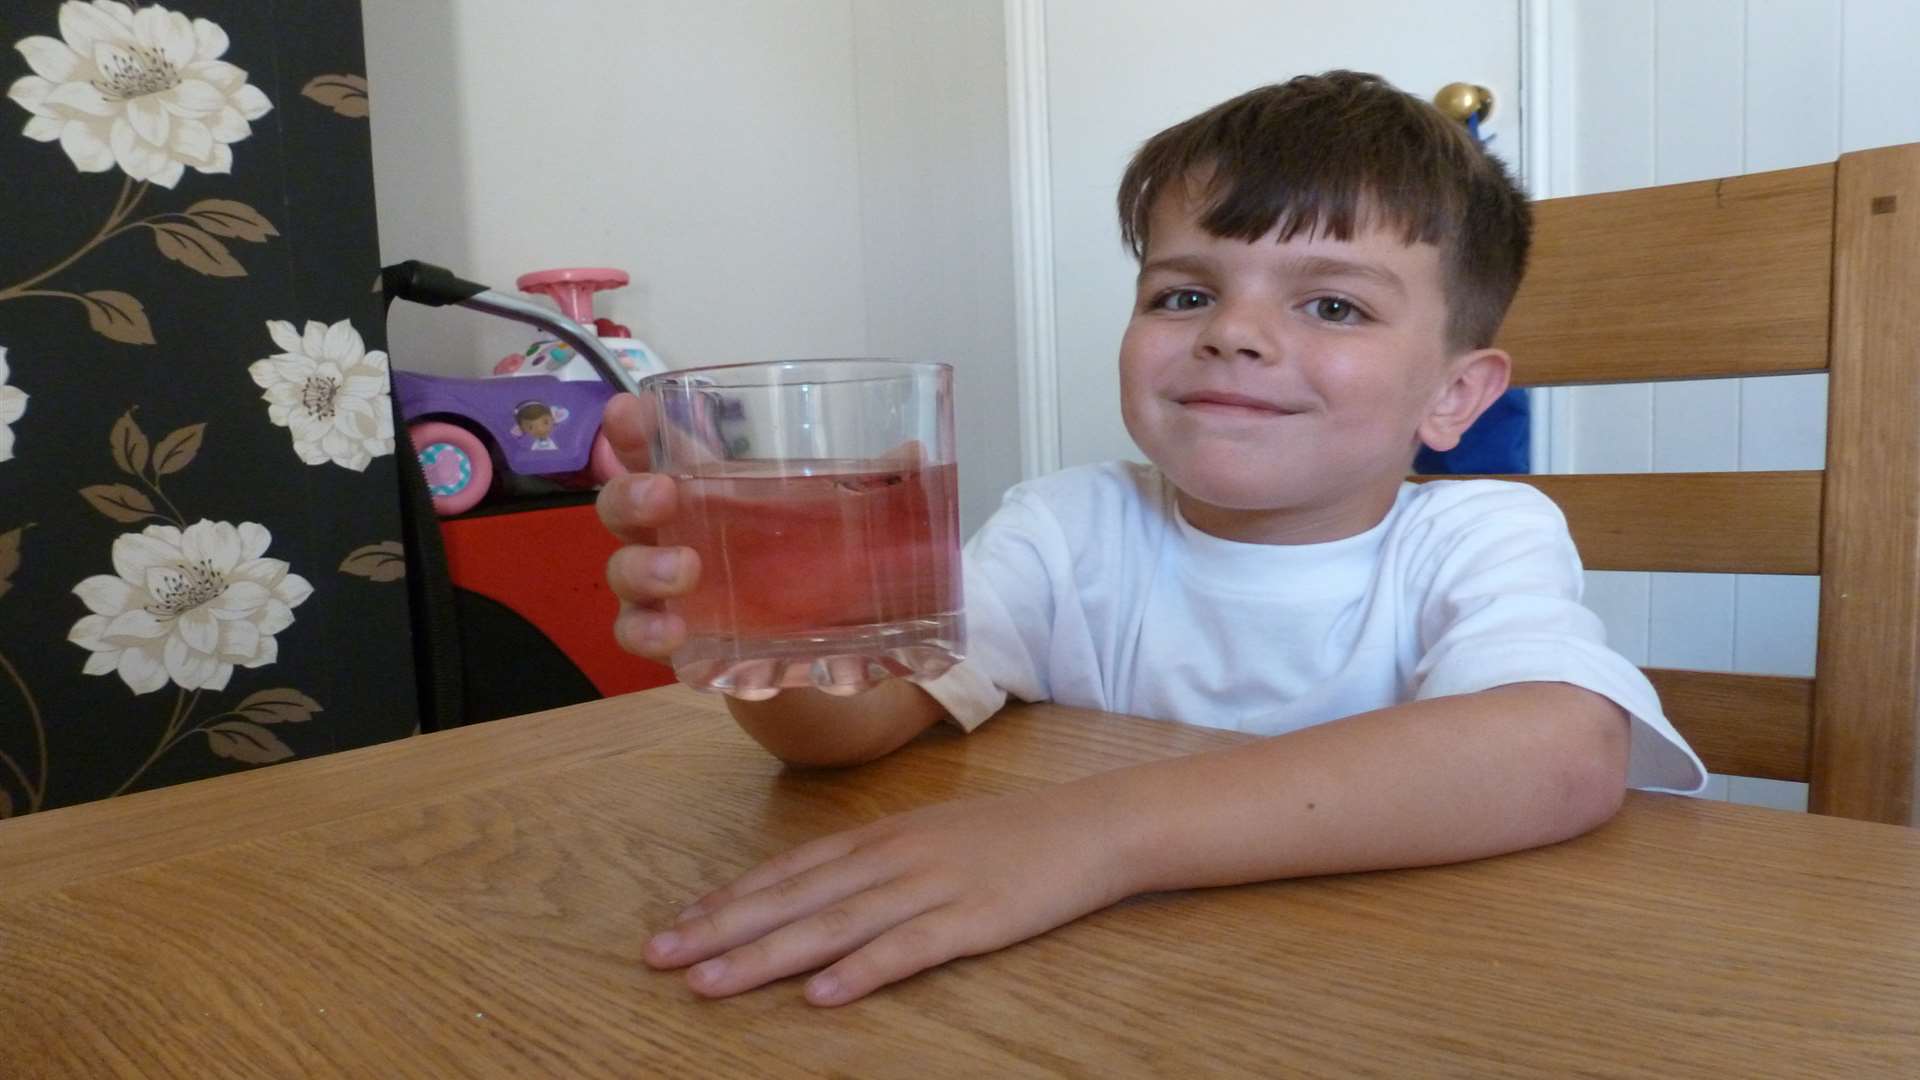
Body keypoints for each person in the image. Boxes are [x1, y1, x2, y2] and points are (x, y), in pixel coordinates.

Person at [595, 70, 1706, 1008]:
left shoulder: (1478, 533)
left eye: (1333, 307)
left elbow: (1558, 754)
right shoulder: (1074, 527)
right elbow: (839, 737)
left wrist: (1093, 837)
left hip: (1394, 998)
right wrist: (771, 612)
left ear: (1456, 396)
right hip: (1106, 1002)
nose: (1232, 333)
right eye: (1183, 294)